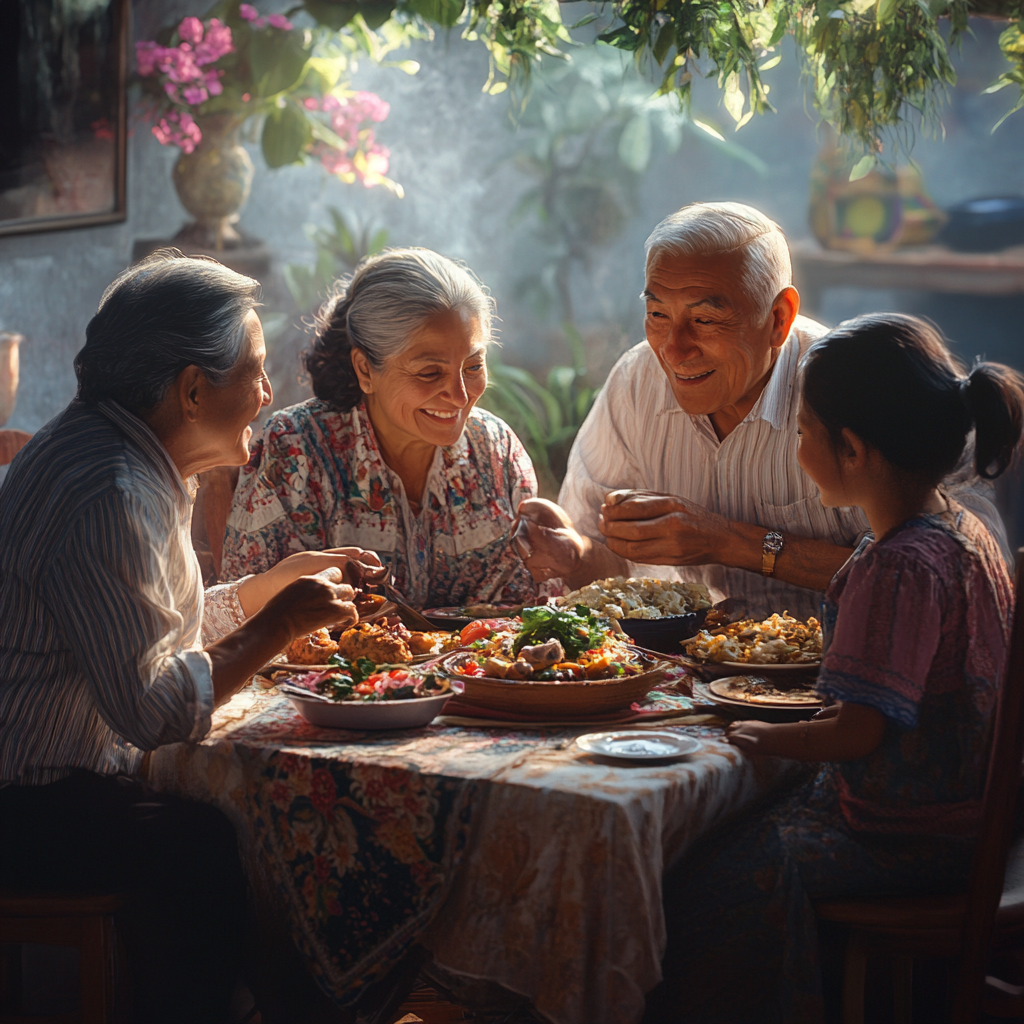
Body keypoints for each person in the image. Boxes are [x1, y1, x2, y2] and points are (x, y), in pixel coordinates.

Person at [0, 251, 385, 1024]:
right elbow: (153, 707)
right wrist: (279, 626)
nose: (270, 395)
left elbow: (148, 626)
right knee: (209, 843)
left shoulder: (121, 459)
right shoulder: (107, 490)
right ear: (191, 389)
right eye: (257, 370)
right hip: (25, 805)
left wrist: (269, 587)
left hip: (51, 784)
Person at [643, 313, 1022, 1023]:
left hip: (908, 836)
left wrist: (753, 733)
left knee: (704, 878)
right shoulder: (962, 532)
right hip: (973, 822)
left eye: (802, 432)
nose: (797, 446)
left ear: (850, 449)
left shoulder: (897, 565)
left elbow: (857, 732)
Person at [513, 202, 1009, 620]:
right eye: (658, 314)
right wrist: (573, 555)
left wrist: (732, 542)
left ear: (778, 318)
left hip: (836, 688)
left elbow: (952, 577)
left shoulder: (856, 386)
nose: (674, 348)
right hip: (688, 679)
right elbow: (606, 565)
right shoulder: (638, 380)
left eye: (705, 318)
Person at [222, 247, 538, 610]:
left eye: (473, 366)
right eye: (430, 372)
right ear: (365, 370)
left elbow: (526, 614)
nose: (460, 396)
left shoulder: (496, 453)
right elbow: (248, 617)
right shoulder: (297, 451)